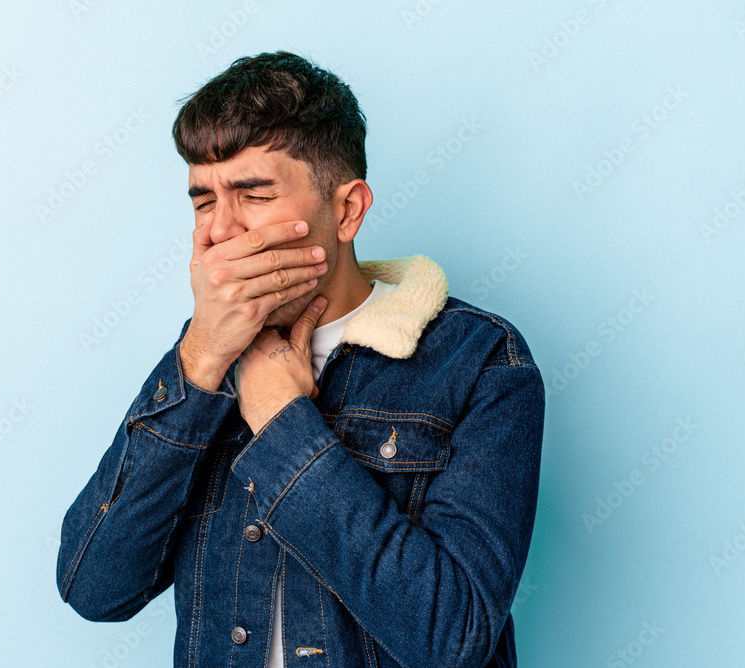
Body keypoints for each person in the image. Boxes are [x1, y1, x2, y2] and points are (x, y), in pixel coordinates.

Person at [56, 50, 544, 668]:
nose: (219, 231)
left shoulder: (480, 361)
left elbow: (452, 639)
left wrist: (283, 423)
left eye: (253, 194)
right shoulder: (202, 357)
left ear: (346, 211)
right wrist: (201, 358)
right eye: (203, 202)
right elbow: (95, 589)